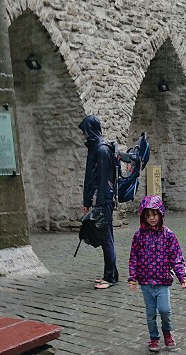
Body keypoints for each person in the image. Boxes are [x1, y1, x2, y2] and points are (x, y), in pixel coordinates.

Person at [128, 195, 186, 352]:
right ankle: (153, 338)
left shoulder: (168, 235)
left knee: (164, 310)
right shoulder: (139, 236)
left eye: (155, 214)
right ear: (143, 216)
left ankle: (167, 332)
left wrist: (182, 276)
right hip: (146, 282)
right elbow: (133, 258)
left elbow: (176, 257)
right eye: (148, 215)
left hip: (162, 282)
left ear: (161, 214)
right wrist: (132, 277)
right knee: (150, 313)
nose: (152, 218)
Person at [78, 115, 119, 289]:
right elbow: (91, 178)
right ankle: (111, 274)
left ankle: (110, 278)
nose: (83, 135)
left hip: (103, 200)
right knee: (106, 237)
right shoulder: (96, 148)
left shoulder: (101, 150)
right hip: (100, 200)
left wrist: (97, 204)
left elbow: (102, 181)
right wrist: (87, 201)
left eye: (84, 132)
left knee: (106, 238)